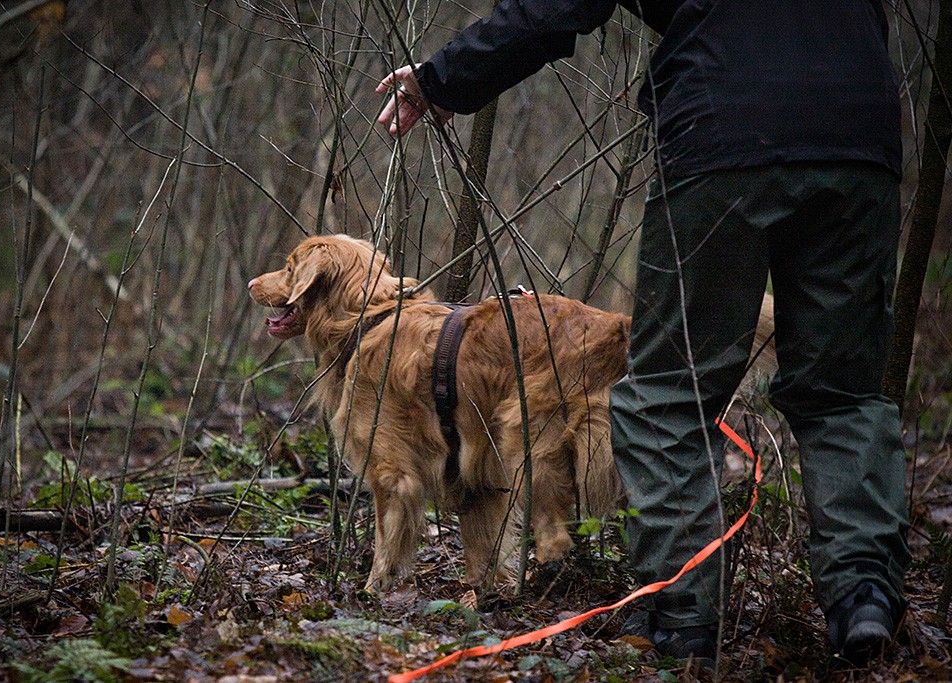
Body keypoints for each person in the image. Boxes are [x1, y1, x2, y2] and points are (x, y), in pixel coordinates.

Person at [376, 0, 910, 666]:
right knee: (843, 393)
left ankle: (685, 618)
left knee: (668, 395)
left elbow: (553, 8)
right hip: (861, 130)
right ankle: (864, 594)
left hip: (721, 128)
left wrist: (440, 79)